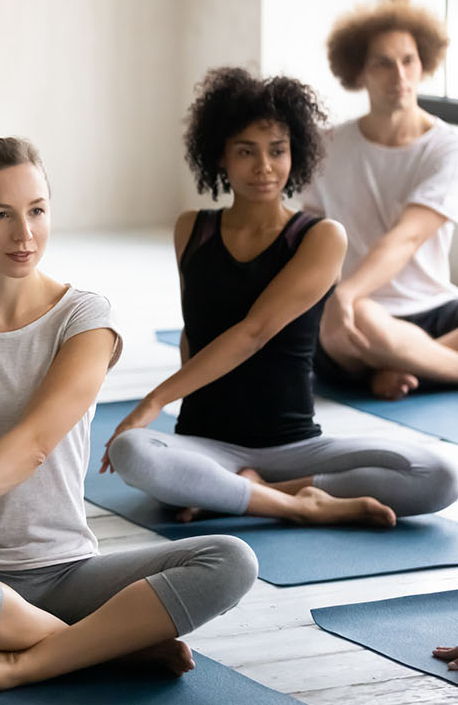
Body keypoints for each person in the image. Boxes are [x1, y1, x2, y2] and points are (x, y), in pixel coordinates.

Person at [0, 137, 256, 703]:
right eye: (1, 214)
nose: (23, 233)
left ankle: (19, 666)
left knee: (230, 559)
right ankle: (111, 646)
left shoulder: (84, 318)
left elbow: (33, 443)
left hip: (68, 574)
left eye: (36, 210)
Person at [105, 68, 456, 527]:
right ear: (221, 157)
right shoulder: (191, 228)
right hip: (206, 444)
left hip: (295, 446)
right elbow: (195, 331)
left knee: (439, 473)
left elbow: (253, 332)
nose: (264, 167)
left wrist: (152, 402)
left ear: (297, 155)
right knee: (132, 451)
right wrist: (169, 418)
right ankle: (292, 503)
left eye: (277, 151)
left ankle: (252, 493)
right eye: (246, 152)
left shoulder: (319, 237)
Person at [303, 1, 458, 400]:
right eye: (384, 64)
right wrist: (341, 297)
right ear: (359, 71)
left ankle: (400, 370)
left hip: (437, 311)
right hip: (362, 316)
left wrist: (345, 293)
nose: (401, 76)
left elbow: (406, 238)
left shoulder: (448, 147)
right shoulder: (327, 146)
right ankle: (425, 368)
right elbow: (310, 237)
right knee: (340, 325)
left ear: (424, 63)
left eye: (409, 61)